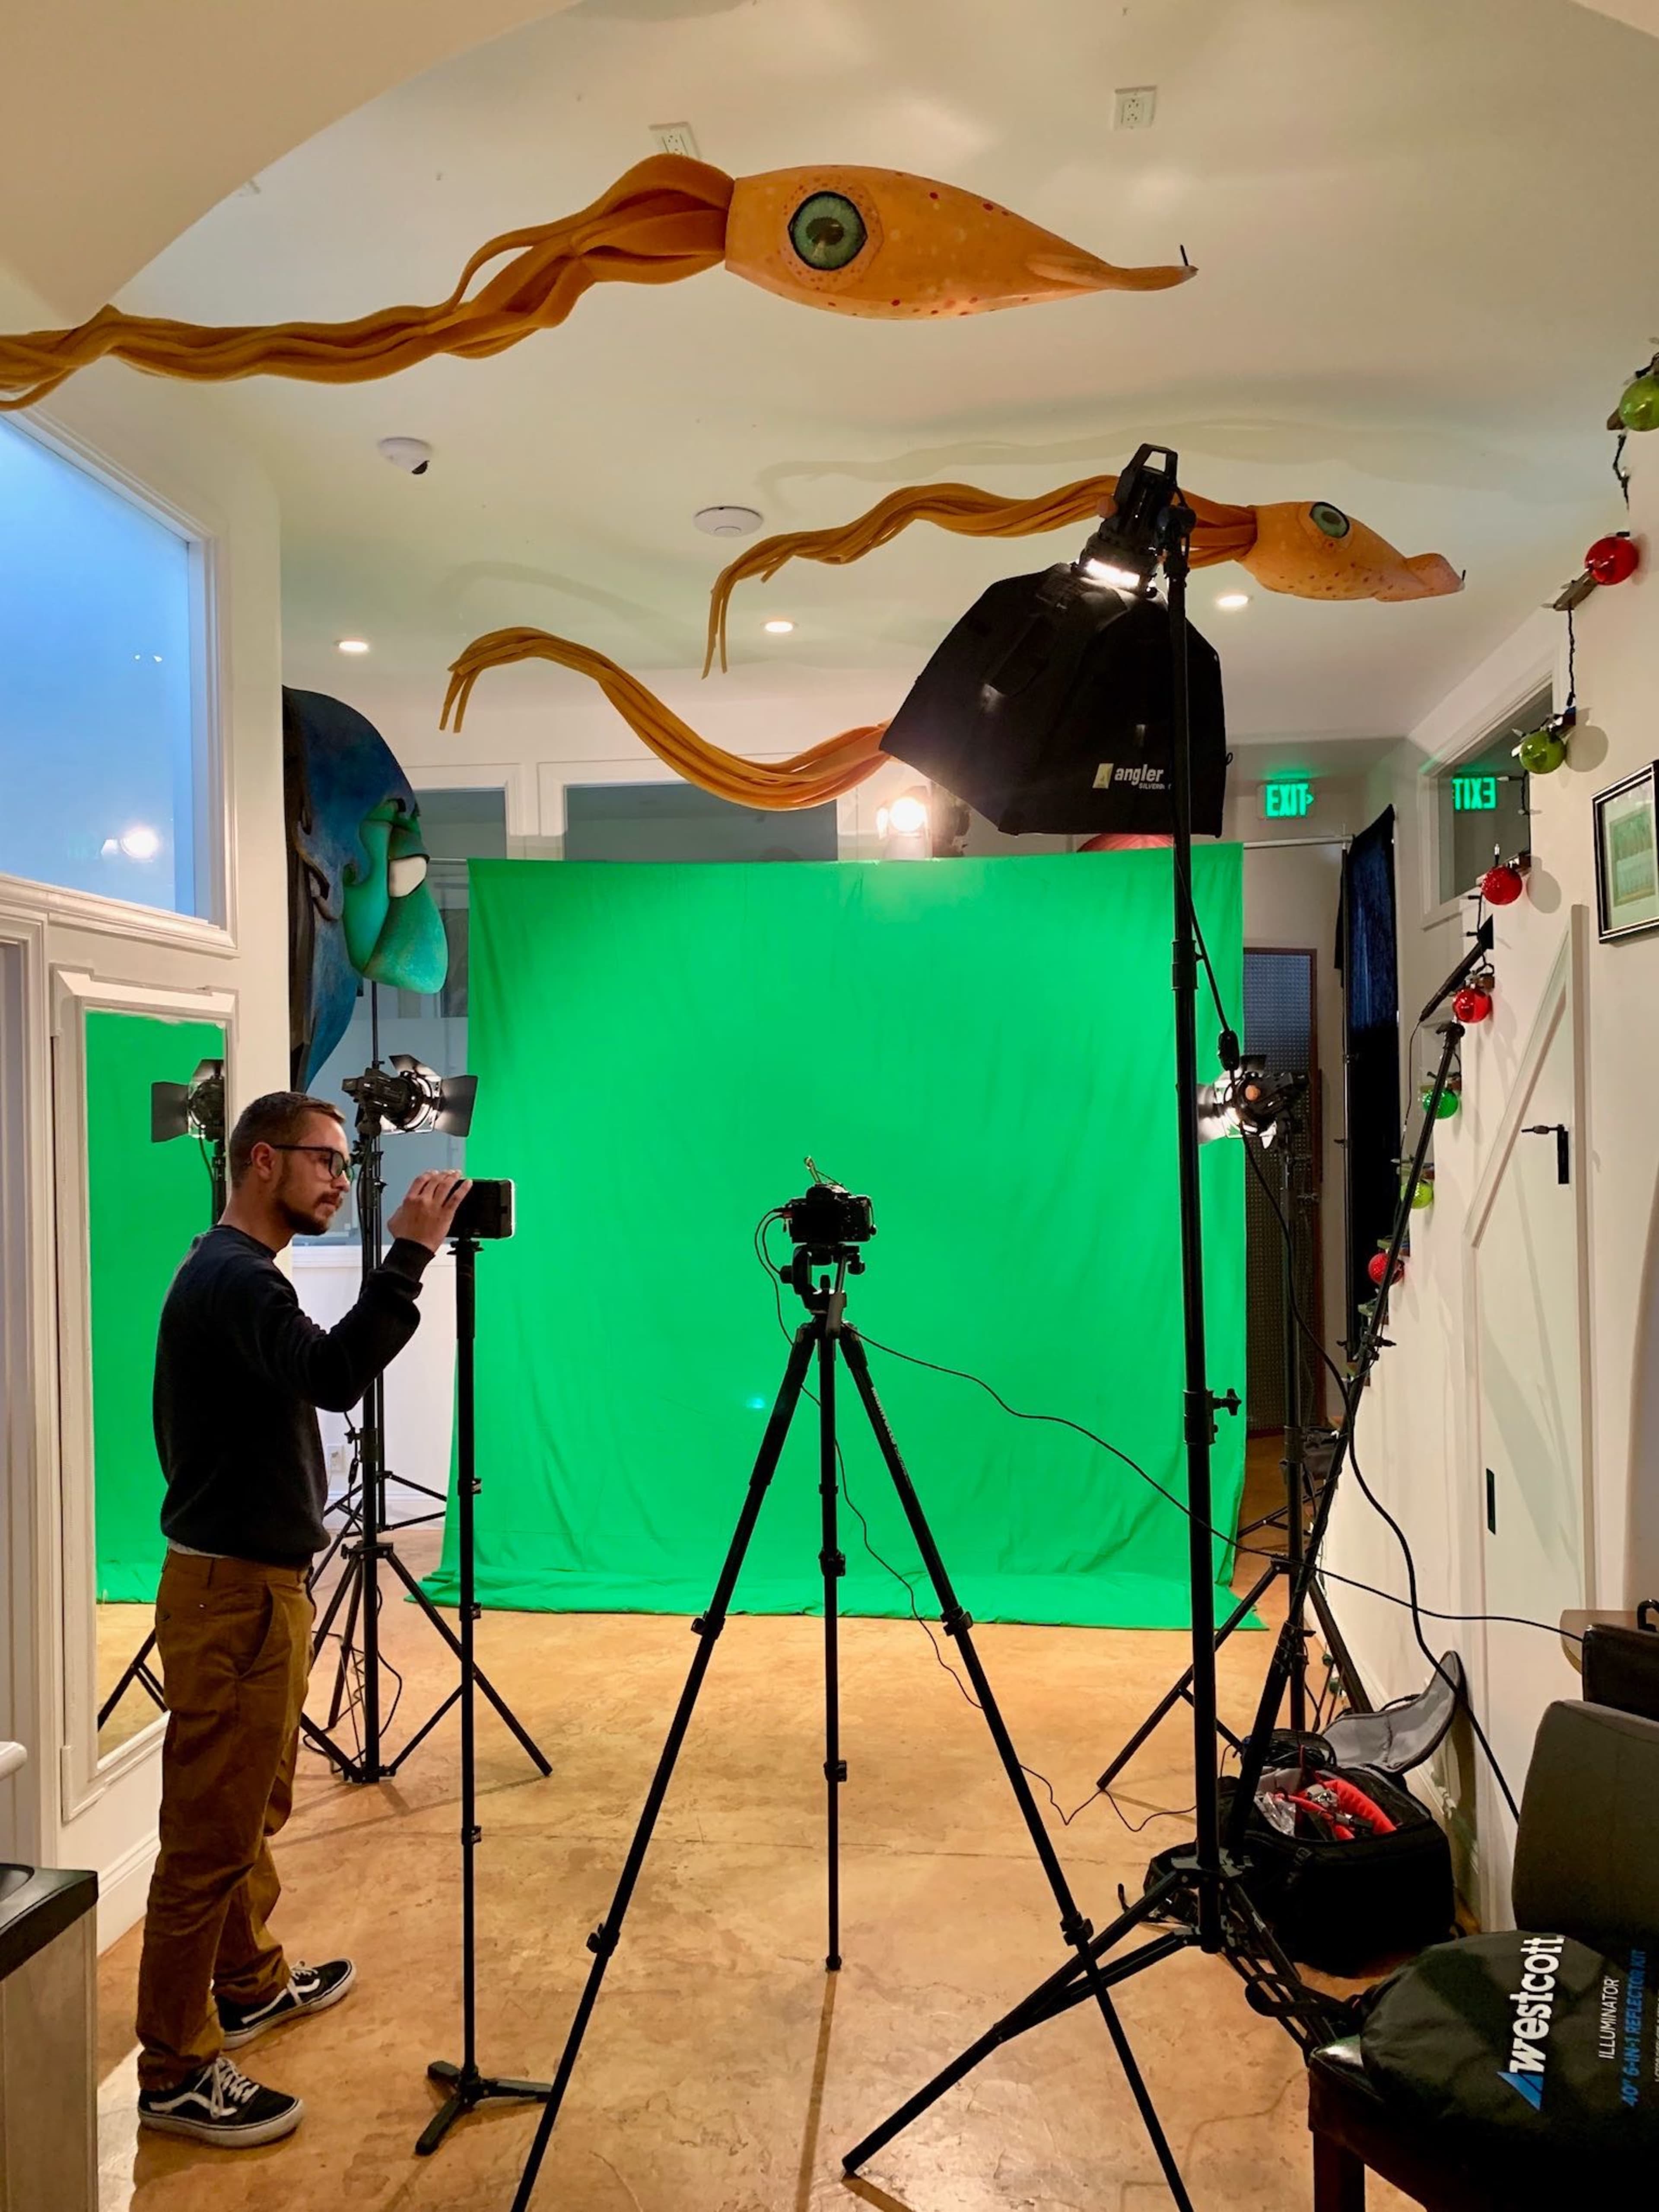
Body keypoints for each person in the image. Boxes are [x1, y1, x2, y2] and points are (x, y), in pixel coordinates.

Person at [135, 1090, 469, 2146]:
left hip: (251, 1587)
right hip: (233, 1595)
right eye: (326, 1161)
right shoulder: (236, 1278)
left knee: (247, 1813)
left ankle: (249, 1980)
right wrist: (412, 1253)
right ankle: (177, 2068)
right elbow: (332, 1376)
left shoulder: (232, 1273)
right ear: (263, 1161)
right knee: (208, 1840)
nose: (341, 1178)